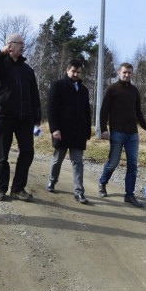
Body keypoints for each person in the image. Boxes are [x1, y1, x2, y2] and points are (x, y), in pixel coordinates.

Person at [0, 33, 41, 202]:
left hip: (25, 118)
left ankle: (17, 188)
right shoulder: (0, 65)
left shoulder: (27, 70)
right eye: (20, 43)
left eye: (24, 43)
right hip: (5, 115)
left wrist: (37, 119)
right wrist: (1, 53)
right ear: (10, 45)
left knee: (28, 152)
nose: (23, 46)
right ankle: (1, 188)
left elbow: (34, 96)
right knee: (2, 154)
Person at [98, 63, 146, 207]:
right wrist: (104, 129)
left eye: (129, 73)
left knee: (132, 165)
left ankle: (129, 195)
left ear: (132, 74)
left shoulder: (135, 91)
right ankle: (103, 182)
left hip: (132, 135)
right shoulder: (112, 89)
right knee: (113, 162)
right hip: (116, 132)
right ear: (119, 72)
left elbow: (138, 113)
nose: (127, 75)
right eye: (124, 72)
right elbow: (104, 111)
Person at [46, 58, 92, 204]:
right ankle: (52, 181)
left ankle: (79, 192)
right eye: (73, 71)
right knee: (57, 159)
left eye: (78, 72)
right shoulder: (57, 86)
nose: (75, 74)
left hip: (78, 133)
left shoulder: (84, 90)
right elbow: (51, 108)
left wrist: (87, 131)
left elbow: (87, 112)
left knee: (78, 162)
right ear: (67, 70)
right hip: (62, 131)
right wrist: (54, 129)